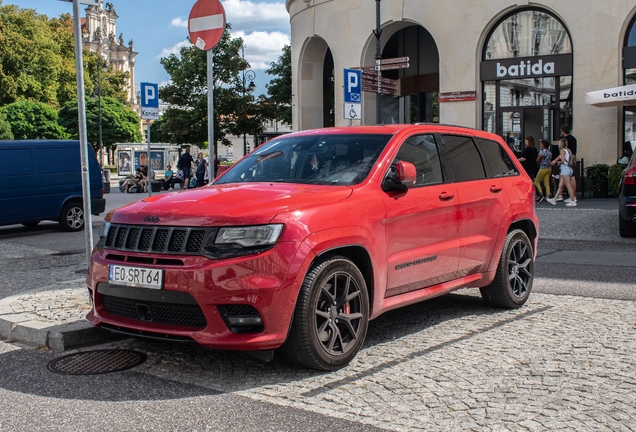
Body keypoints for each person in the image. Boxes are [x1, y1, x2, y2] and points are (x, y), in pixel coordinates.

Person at [547, 138, 577, 206]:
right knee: (561, 185)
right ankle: (554, 199)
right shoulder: (569, 150)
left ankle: (573, 201)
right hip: (570, 168)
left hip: (564, 169)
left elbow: (563, 160)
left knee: (568, 186)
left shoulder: (562, 150)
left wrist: (559, 162)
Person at [559, 124, 577, 201]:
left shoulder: (565, 140)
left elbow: (563, 151)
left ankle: (561, 195)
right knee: (572, 178)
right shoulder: (574, 139)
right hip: (572, 159)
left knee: (563, 178)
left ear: (563, 131)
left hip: (566, 161)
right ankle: (573, 196)